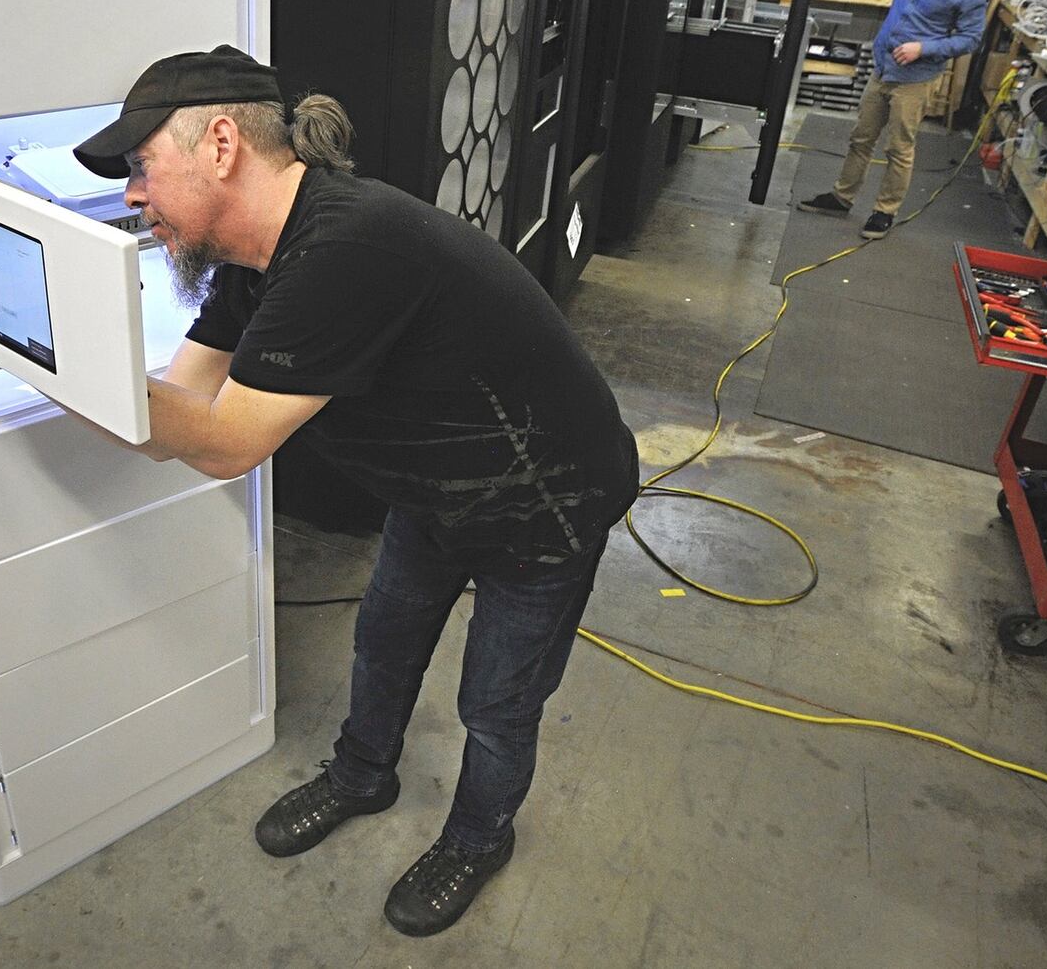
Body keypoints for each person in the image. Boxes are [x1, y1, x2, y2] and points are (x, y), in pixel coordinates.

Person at [62, 46, 640, 937]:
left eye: (142, 167)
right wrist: (59, 361)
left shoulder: (343, 248)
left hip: (543, 495)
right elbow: (182, 399)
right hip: (437, 487)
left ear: (221, 144)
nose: (133, 195)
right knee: (384, 640)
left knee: (495, 700)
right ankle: (364, 776)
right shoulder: (256, 263)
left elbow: (220, 446)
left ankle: (480, 837)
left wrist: (54, 361)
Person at [798, 0, 996, 238]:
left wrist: (925, 48)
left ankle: (884, 211)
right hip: (884, 64)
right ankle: (842, 197)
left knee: (899, 147)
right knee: (861, 137)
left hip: (915, 77)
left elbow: (970, 38)